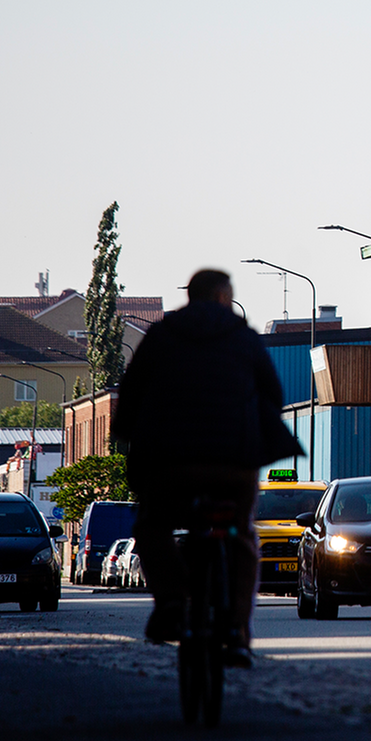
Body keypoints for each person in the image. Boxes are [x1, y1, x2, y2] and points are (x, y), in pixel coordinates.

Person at [113, 269, 302, 667]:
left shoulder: (161, 336)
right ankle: (236, 631)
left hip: (171, 464)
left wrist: (131, 443)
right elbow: (273, 394)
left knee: (152, 526)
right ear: (220, 297)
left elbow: (129, 398)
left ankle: (170, 602)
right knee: (241, 536)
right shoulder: (243, 336)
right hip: (232, 464)